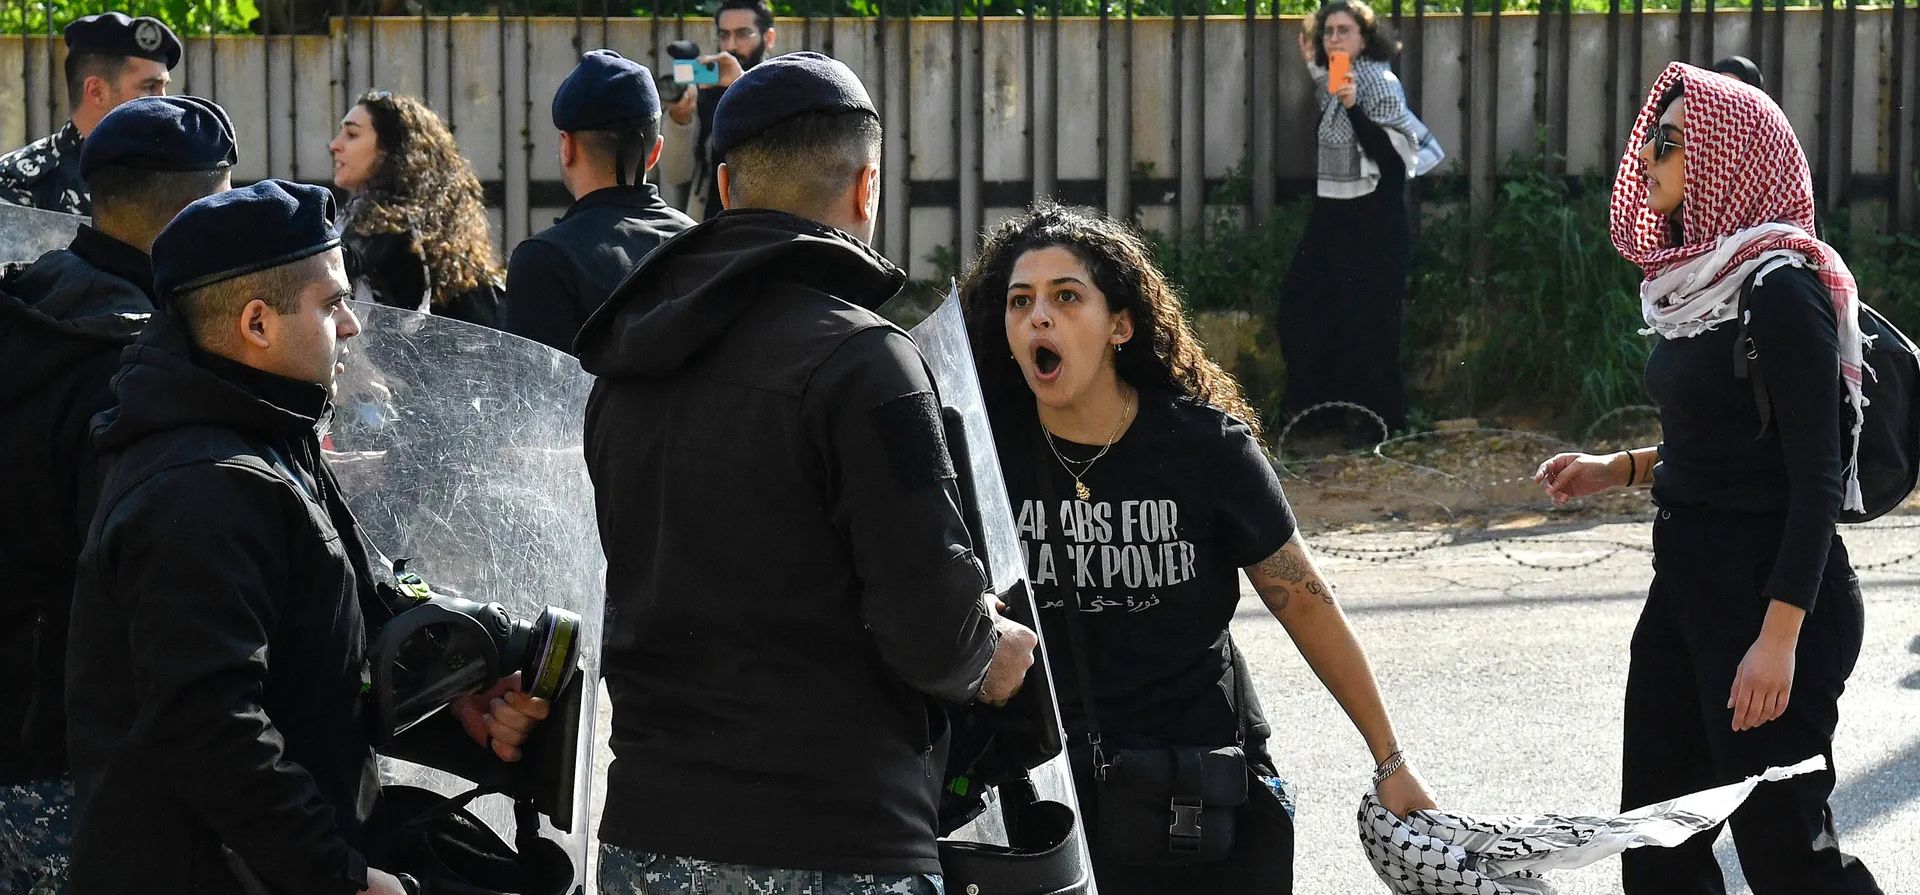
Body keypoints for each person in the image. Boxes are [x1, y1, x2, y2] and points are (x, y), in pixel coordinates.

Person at [575, 52, 1037, 895]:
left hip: (647, 842)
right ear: (866, 189)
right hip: (838, 845)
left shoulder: (623, 367)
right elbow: (930, 622)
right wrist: (991, 652)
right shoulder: (867, 362)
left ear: (721, 186)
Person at [62, 180, 548, 895]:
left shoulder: (268, 430)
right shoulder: (204, 484)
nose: (351, 325)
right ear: (256, 324)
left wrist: (447, 692)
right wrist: (342, 879)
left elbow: (328, 631)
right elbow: (215, 733)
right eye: (332, 303)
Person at [958, 203, 1438, 895]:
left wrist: (1390, 761)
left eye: (1067, 296)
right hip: (1051, 797)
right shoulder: (983, 452)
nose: (1040, 317)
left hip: (1197, 797)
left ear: (1119, 324)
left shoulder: (1205, 448)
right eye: (1021, 301)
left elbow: (1304, 601)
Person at [1534, 62, 1882, 894]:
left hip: (1771, 601)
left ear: (1729, 155)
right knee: (1657, 849)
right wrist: (1615, 468)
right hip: (1685, 589)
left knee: (1789, 859)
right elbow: (1723, 442)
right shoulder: (1694, 286)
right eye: (1651, 136)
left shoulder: (1781, 290)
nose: (1647, 154)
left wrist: (1777, 639)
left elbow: (1816, 478)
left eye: (1669, 140)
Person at [0, 92, 234, 894]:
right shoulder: (134, 358)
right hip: (72, 747)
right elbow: (132, 582)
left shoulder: (31, 299)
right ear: (197, 212)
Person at [1276, 0, 1442, 443]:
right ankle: (1319, 413)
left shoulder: (1378, 80)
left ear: (1364, 38)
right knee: (1306, 309)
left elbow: (1394, 160)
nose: (1334, 39)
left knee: (1369, 322)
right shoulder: (1337, 75)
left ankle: (1380, 423)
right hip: (1334, 213)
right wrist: (1323, 74)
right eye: (1328, 31)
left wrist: (1352, 106)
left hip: (1374, 219)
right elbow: (1333, 117)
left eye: (1343, 31)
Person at [500, 50, 696, 354]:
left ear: (567, 147)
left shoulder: (546, 261)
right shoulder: (700, 240)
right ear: (655, 152)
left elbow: (535, 396)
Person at [329, 90, 504, 327]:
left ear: (390, 149)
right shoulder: (420, 218)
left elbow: (333, 265)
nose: (335, 145)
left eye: (351, 134)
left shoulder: (388, 218)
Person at [0, 12, 181, 215]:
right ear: (96, 91)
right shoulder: (20, 182)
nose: (164, 101)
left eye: (163, 87)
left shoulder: (175, 176)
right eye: (149, 87)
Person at [670, 0, 778, 221]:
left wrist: (740, 84)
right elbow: (676, 175)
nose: (731, 46)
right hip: (711, 226)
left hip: (766, 224)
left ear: (768, 38)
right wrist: (680, 121)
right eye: (724, 35)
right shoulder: (708, 92)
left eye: (743, 34)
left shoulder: (783, 85)